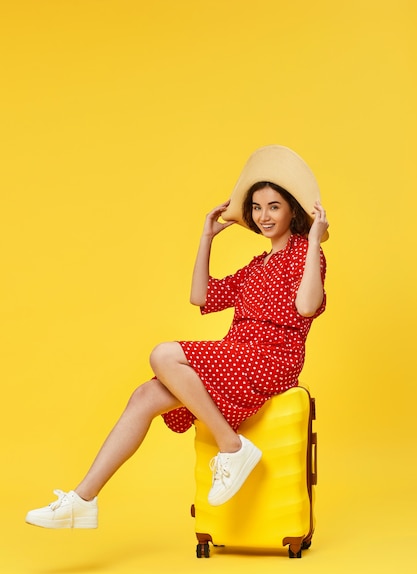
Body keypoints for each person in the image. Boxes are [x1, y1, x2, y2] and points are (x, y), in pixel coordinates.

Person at [25, 145, 329, 529]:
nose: (263, 216)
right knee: (146, 395)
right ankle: (82, 500)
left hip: (272, 360)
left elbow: (306, 307)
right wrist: (207, 237)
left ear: (292, 211)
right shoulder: (257, 266)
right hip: (238, 356)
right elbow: (201, 296)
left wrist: (316, 240)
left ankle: (232, 448)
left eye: (273, 206)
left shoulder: (306, 254)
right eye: (256, 207)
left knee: (164, 355)